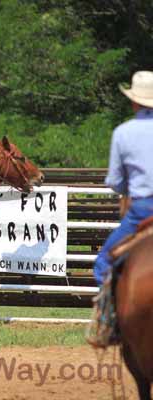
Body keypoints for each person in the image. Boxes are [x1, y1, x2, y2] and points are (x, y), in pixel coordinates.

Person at [89, 70, 153, 346]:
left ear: (134, 102)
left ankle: (112, 324)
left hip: (142, 211)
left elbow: (115, 182)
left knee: (104, 261)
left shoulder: (123, 133)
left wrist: (127, 184)